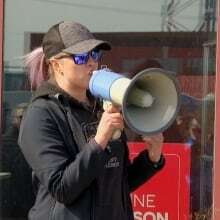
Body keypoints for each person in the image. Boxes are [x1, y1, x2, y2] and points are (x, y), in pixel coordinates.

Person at [18, 21, 165, 220]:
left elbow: (117, 184)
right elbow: (62, 188)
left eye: (95, 54)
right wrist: (100, 141)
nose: (91, 62)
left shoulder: (100, 106)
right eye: (80, 57)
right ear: (56, 64)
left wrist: (152, 159)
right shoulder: (41, 114)